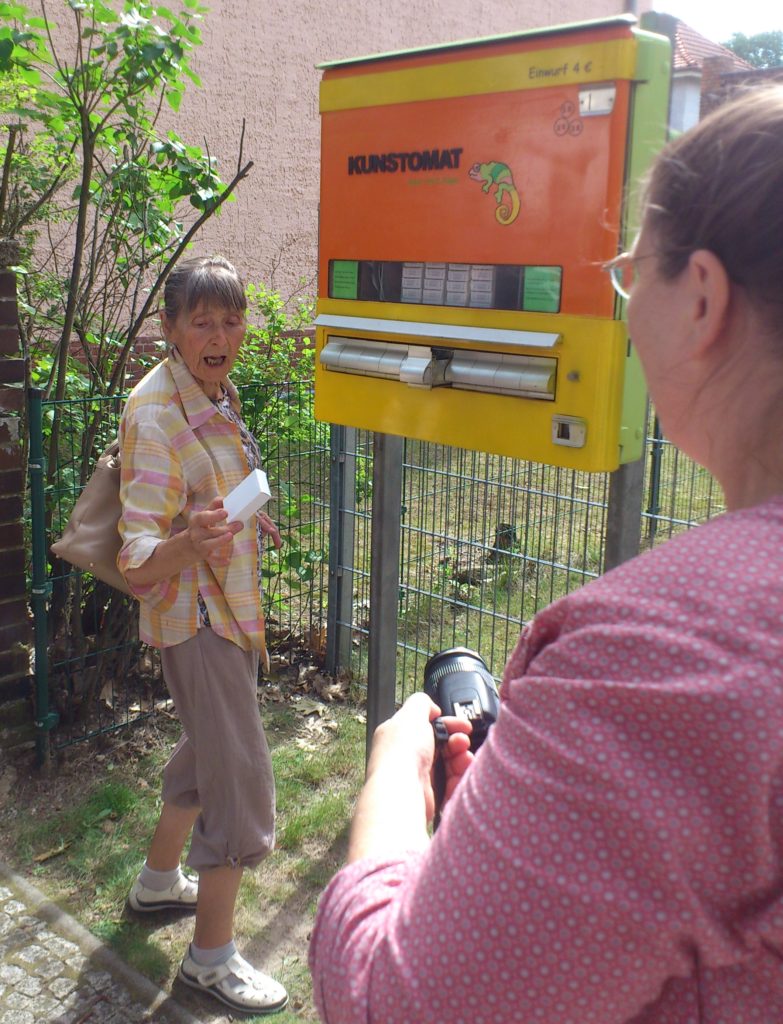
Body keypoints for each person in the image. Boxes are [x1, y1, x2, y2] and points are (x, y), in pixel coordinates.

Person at [308, 84, 783, 1023]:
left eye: (627, 270)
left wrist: (396, 778)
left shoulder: (658, 665)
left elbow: (398, 1003)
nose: (623, 304)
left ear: (699, 298)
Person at [118, 255, 288, 1016]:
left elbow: (210, 493)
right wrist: (191, 540)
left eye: (231, 319)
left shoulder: (209, 390)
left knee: (206, 752)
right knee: (238, 785)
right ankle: (210, 963)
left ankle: (157, 887)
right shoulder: (158, 413)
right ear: (171, 328)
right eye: (202, 321)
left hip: (226, 606)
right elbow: (136, 557)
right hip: (201, 619)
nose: (220, 335)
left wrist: (247, 519)